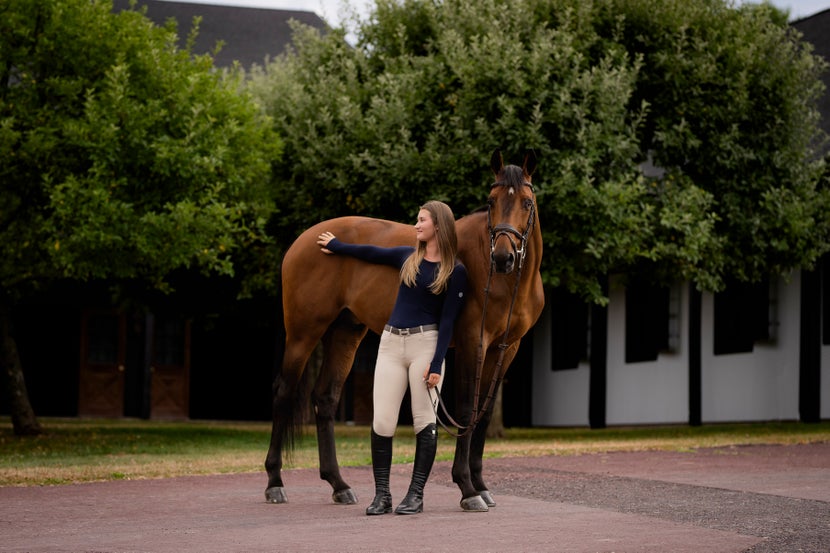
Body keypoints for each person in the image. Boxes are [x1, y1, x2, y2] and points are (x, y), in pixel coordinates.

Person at [316, 200, 467, 515]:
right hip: (390, 344)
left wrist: (437, 364)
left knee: (424, 422)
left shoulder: (455, 272)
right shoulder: (407, 258)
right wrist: (337, 245)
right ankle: (382, 495)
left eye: (421, 219)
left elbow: (450, 322)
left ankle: (415, 495)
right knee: (382, 421)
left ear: (438, 225)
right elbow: (370, 252)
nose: (416, 225)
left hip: (425, 346)